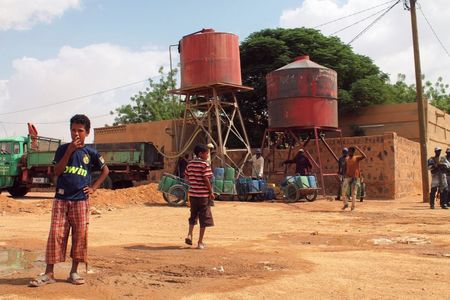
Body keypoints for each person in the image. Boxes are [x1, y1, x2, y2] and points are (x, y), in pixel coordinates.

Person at [29, 114, 110, 287]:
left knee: (80, 236)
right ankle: (49, 273)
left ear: (86, 133)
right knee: (56, 234)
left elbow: (105, 171)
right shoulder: (62, 149)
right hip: (61, 199)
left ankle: (74, 272)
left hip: (81, 201)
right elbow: (57, 171)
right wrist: (70, 151)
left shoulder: (91, 153)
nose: (76, 134)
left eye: (80, 130)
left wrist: (94, 188)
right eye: (73, 130)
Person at [184, 144, 215, 249]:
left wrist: (194, 183)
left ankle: (189, 234)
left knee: (193, 215)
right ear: (201, 153)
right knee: (204, 218)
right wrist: (211, 192)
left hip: (193, 195)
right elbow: (206, 178)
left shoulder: (190, 164)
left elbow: (186, 177)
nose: (207, 155)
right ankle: (200, 242)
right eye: (207, 153)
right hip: (203, 196)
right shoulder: (205, 165)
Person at [340, 146, 366, 211]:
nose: (349, 152)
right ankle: (346, 204)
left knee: (353, 193)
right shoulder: (346, 159)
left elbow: (364, 156)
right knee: (343, 191)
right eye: (349, 151)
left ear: (353, 152)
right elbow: (345, 168)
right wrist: (344, 175)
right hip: (347, 177)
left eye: (350, 151)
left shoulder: (357, 158)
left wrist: (358, 149)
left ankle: (353, 207)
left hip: (355, 178)